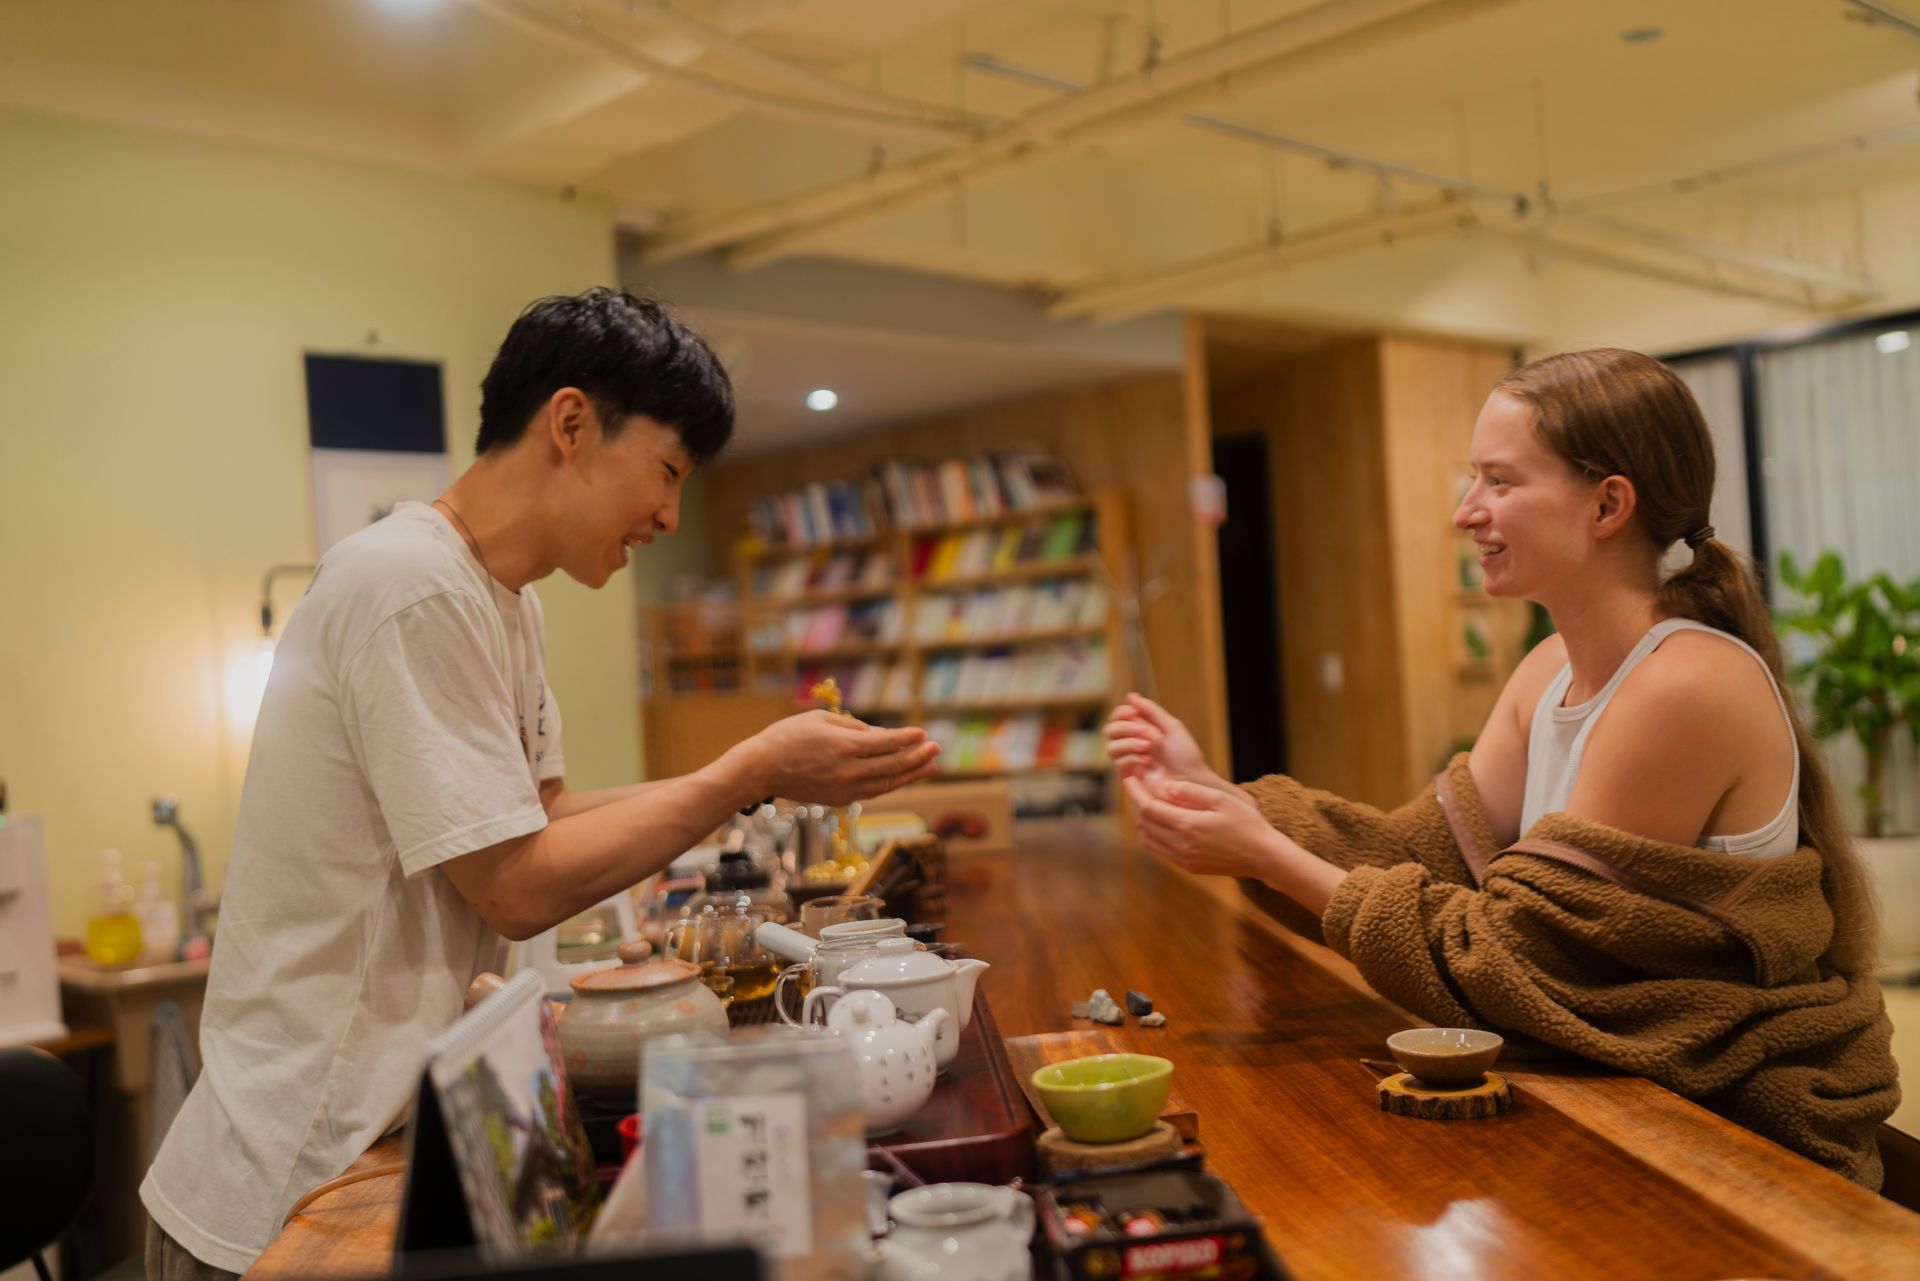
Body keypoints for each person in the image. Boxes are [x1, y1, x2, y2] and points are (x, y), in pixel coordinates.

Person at [141, 289, 941, 1277]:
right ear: (570, 423)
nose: (668, 513)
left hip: (392, 1147)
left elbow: (543, 816)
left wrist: (745, 778)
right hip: (293, 1185)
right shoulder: (406, 584)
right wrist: (752, 768)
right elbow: (516, 886)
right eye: (666, 471)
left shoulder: (506, 602)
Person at [1108, 347, 1898, 1187]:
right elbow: (1418, 851)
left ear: (1608, 504)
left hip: (1740, 1153)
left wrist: (1261, 851)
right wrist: (1226, 799)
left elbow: (1516, 958)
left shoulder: (1684, 684)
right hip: (1625, 1115)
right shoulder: (1546, 669)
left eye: (1499, 481)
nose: (1465, 513)